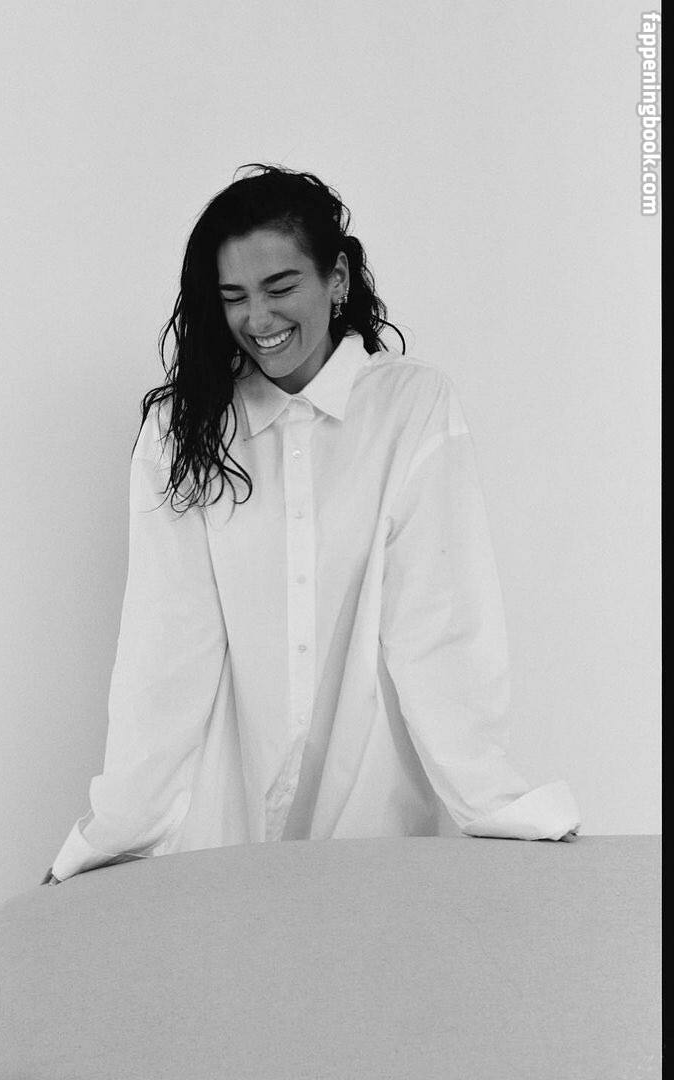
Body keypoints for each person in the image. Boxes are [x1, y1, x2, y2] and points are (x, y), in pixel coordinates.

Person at [41, 165, 580, 886]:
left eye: (280, 287)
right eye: (233, 297)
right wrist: (116, 831)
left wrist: (497, 802)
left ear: (337, 279)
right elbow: (166, 645)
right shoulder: (182, 429)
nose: (258, 320)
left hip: (371, 816)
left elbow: (438, 626)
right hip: (218, 822)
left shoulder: (411, 408)